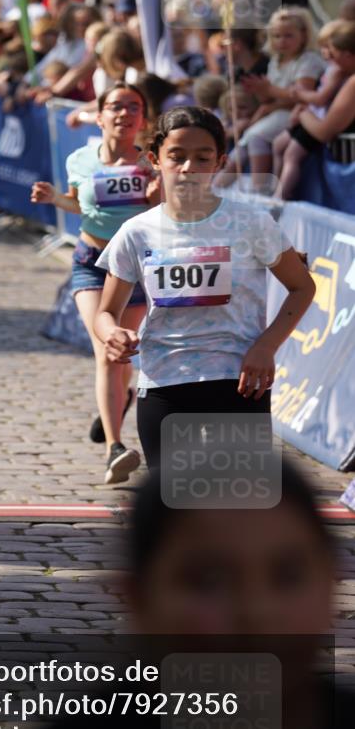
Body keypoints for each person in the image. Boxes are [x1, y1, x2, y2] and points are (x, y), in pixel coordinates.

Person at [0, 460, 354, 729]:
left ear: (331, 582)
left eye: (288, 575)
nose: (255, 612)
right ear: (137, 597)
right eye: (208, 580)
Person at [94, 106, 315, 471]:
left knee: (238, 507)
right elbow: (105, 312)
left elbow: (302, 287)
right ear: (155, 160)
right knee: (176, 510)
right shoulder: (136, 232)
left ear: (219, 162)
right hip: (164, 380)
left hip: (239, 379)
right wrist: (112, 334)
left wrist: (266, 346)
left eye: (202, 158)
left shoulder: (251, 223)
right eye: (176, 157)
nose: (188, 169)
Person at [31, 83, 154, 484]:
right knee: (106, 350)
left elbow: (167, 213)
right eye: (115, 107)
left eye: (133, 107)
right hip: (91, 262)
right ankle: (114, 449)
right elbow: (78, 203)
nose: (124, 113)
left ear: (143, 119)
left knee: (123, 355)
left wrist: (157, 195)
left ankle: (122, 397)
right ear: (99, 116)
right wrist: (54, 199)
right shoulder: (80, 159)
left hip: (135, 268)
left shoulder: (151, 163)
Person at [217, 7, 324, 190]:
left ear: (304, 35)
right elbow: (269, 98)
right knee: (245, 141)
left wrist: (269, 91)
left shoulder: (309, 60)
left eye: (288, 36)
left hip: (296, 114)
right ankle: (215, 189)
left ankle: (261, 191)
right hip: (278, 112)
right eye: (276, 36)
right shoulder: (275, 61)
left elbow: (300, 95)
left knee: (255, 137)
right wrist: (260, 91)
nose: (282, 41)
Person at [273, 21, 355, 199]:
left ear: (347, 55)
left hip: (317, 123)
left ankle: (280, 196)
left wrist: (303, 111)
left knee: (291, 154)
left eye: (331, 50)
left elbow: (325, 130)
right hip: (313, 118)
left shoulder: (345, 77)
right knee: (280, 146)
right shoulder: (338, 72)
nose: (327, 55)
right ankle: (275, 191)